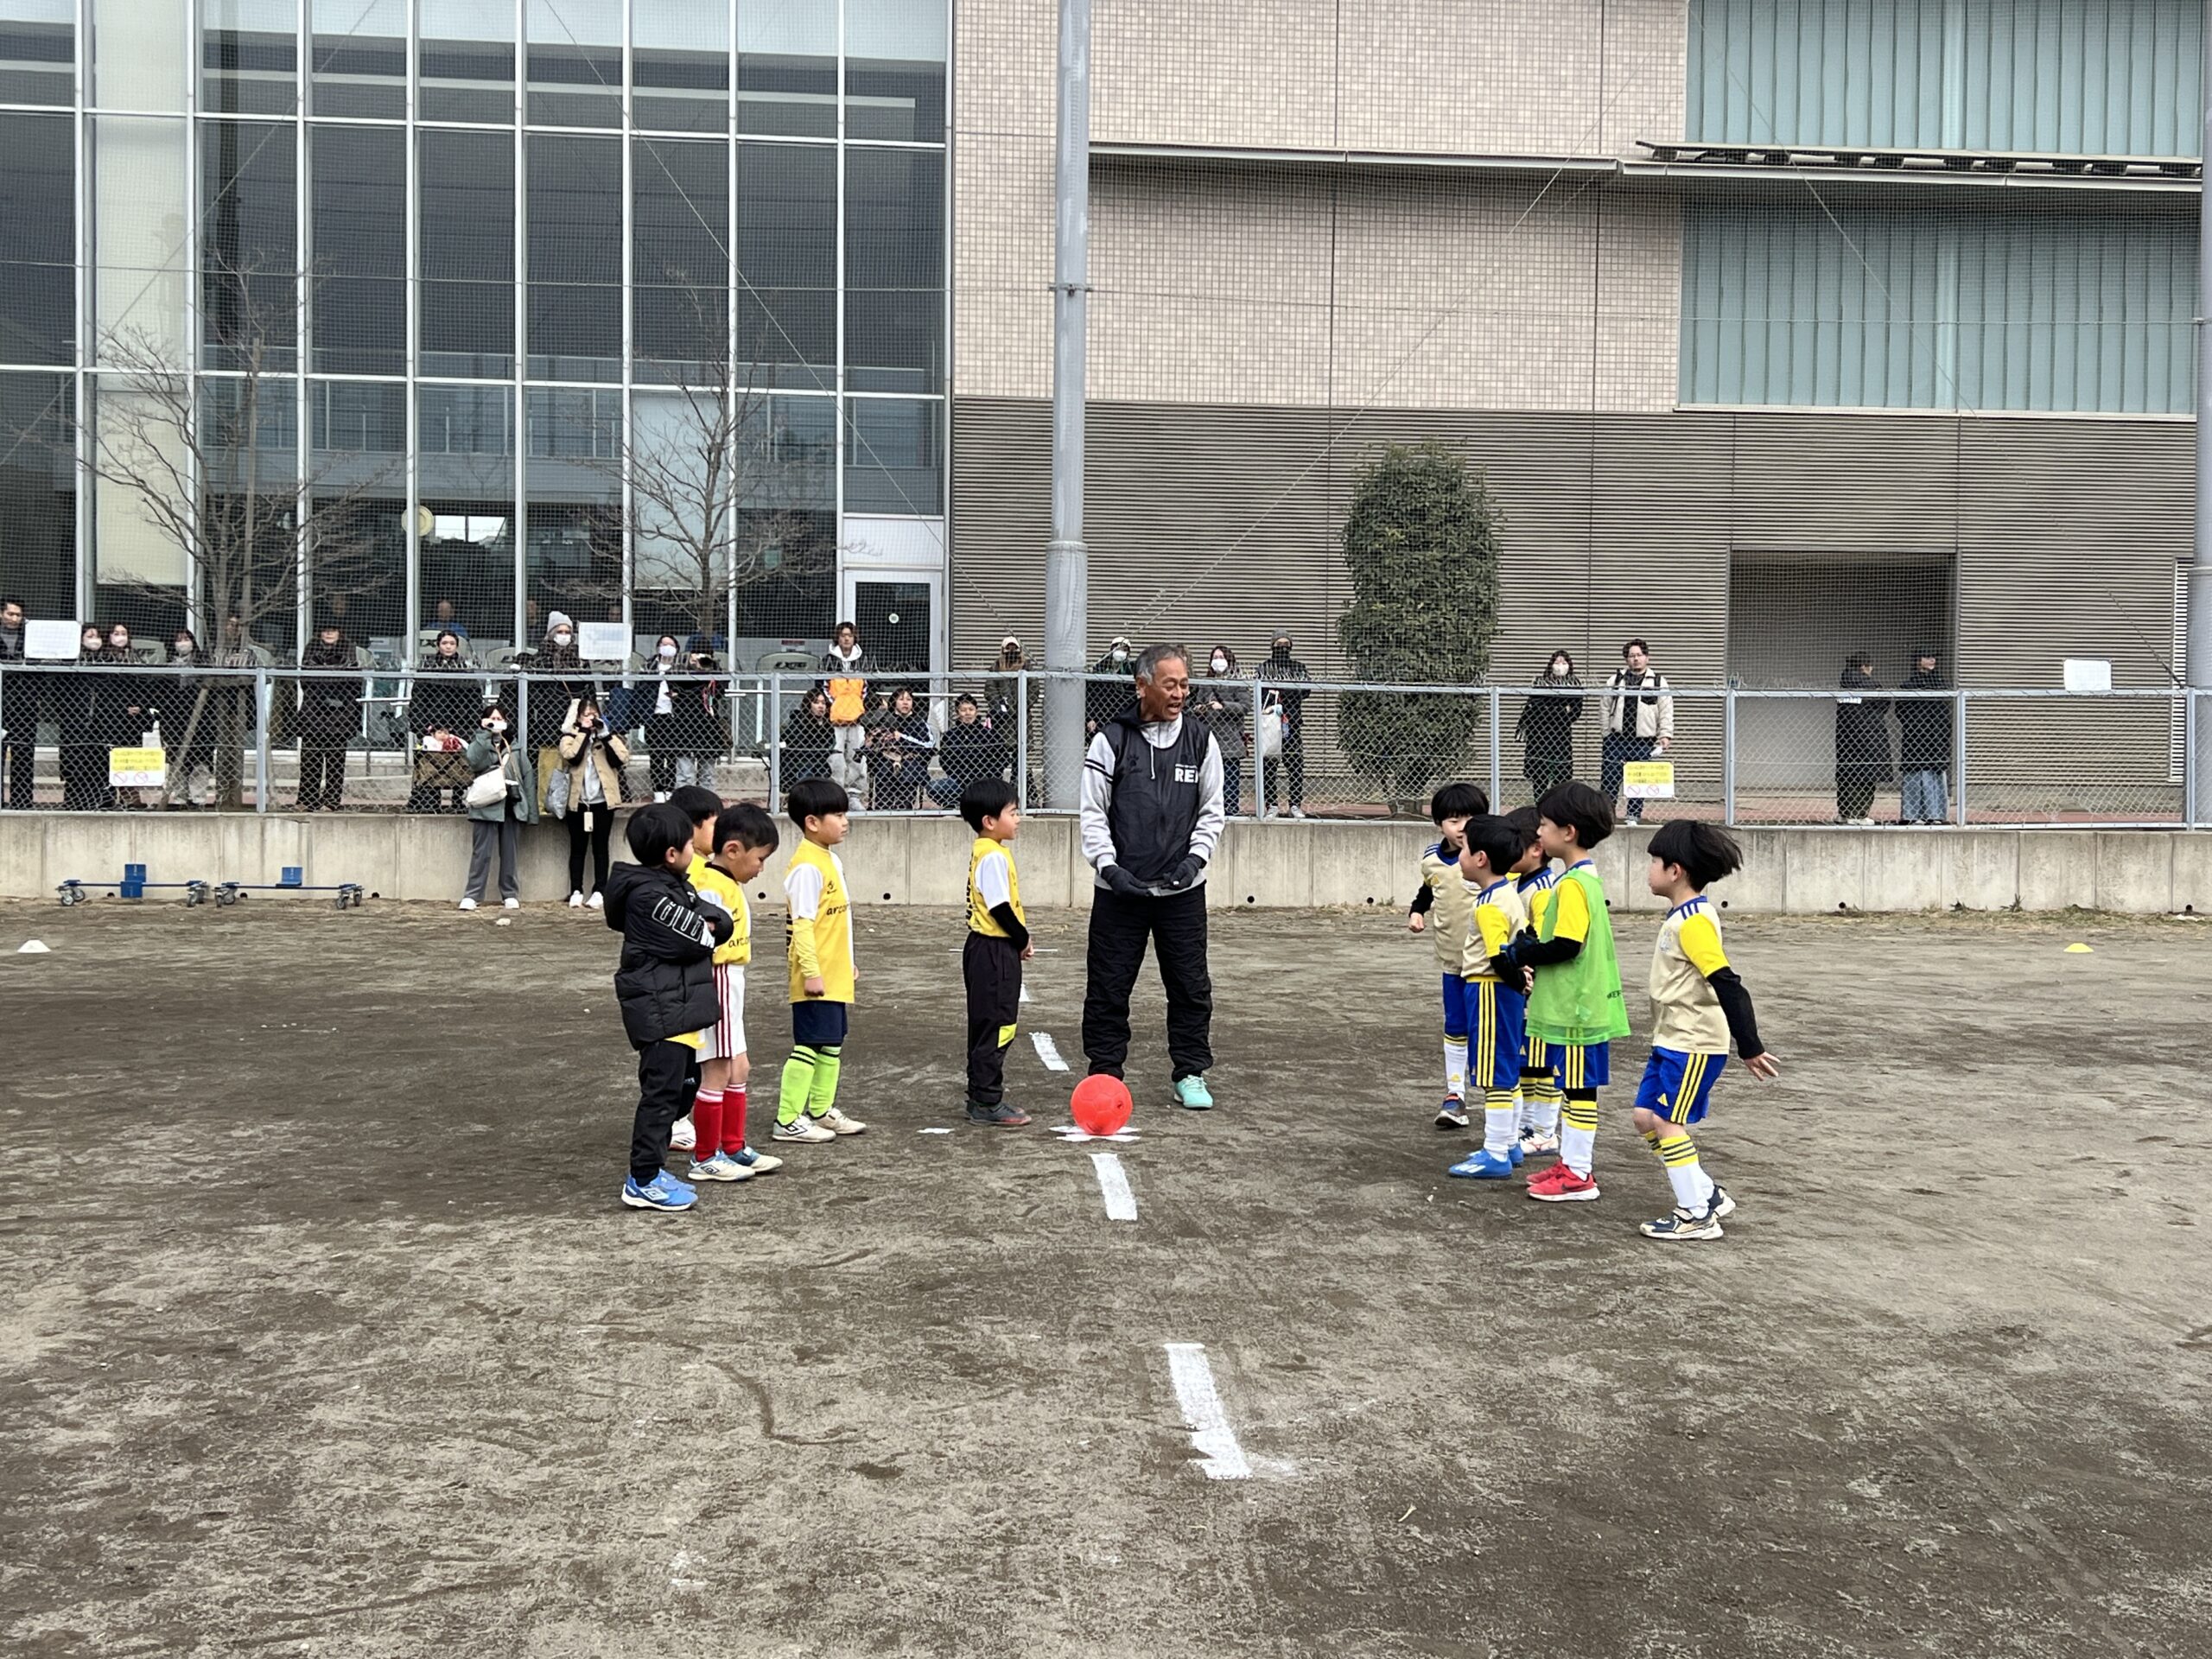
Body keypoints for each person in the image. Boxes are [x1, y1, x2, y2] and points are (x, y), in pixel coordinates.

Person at [1078, 644, 1227, 1111]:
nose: (1180, 693)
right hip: (1120, 891)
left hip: (1182, 892)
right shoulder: (1110, 741)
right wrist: (1109, 867)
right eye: (1170, 684)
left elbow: (1213, 811)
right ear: (1142, 686)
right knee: (1108, 986)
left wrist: (1194, 861)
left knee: (1190, 985)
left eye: (1185, 684)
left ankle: (1190, 1072)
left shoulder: (1202, 741)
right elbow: (1092, 814)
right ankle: (1105, 1074)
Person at [1634, 821, 1781, 1242]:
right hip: (1671, 1038)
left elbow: (1728, 983)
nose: (1649, 869)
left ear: (1675, 870)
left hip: (1694, 1042)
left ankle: (1695, 1215)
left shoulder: (1694, 922)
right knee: (1645, 1117)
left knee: (1667, 1122)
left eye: (1655, 861)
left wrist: (1749, 1046)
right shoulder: (1681, 916)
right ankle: (1706, 1194)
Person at [601, 802, 734, 1213]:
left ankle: (653, 1172)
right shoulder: (649, 897)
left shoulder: (675, 887)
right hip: (661, 1011)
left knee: (680, 1090)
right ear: (672, 854)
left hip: (678, 1009)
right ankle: (642, 1178)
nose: (696, 852)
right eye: (690, 845)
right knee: (660, 1096)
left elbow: (720, 922)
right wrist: (707, 926)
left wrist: (709, 924)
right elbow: (700, 936)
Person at [1504, 781, 1629, 1204]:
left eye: (1544, 824)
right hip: (1580, 1004)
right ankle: (1571, 1164)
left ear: (1568, 832)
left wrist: (1524, 951)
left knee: (1578, 1092)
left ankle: (1578, 1173)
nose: (1539, 832)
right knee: (1574, 1089)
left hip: (1578, 1007)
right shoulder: (1581, 878)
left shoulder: (1572, 884)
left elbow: (1567, 945)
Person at [684, 802, 785, 1184]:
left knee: (738, 1067)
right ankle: (706, 1156)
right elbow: (702, 942)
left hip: (731, 979)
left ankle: (732, 1146)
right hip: (718, 979)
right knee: (718, 1068)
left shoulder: (727, 884)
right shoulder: (712, 888)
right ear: (733, 851)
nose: (761, 868)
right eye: (760, 859)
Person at [775, 777, 868, 1143]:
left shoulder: (829, 859)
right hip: (816, 978)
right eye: (838, 815)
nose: (845, 822)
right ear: (812, 822)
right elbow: (802, 926)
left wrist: (847, 962)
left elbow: (837, 922)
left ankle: (820, 1109)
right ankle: (788, 1118)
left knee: (831, 1042)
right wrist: (811, 973)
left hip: (834, 973)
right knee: (809, 1044)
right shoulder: (807, 867)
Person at [1445, 814, 1535, 1181]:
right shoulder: (1507, 893)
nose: (1460, 855)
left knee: (1494, 1073)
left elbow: (1498, 955)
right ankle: (1509, 1144)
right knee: (1507, 1068)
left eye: (1464, 848)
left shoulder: (1488, 904)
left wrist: (1516, 980)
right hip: (1503, 992)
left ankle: (1496, 1151)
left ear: (1480, 858)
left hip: (1488, 989)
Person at [1407, 781, 1490, 1128]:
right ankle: (1455, 1096)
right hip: (1453, 963)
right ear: (1439, 823)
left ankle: (1509, 1100)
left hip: (1492, 967)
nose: (1462, 827)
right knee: (1455, 1026)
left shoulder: (1494, 855)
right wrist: (1417, 911)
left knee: (1492, 1031)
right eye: (1454, 820)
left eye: (1470, 818)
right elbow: (1427, 890)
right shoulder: (1432, 859)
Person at [962, 778, 1034, 1127]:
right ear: (989, 821)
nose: (1018, 819)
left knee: (988, 1022)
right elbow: (999, 907)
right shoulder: (991, 855)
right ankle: (987, 1100)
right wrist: (1022, 939)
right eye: (1012, 812)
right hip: (993, 950)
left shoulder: (991, 851)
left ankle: (982, 1094)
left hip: (987, 948)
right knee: (997, 1024)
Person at [1502, 806, 1564, 1158]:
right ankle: (1528, 1125)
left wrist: (1524, 965)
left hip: (1541, 991)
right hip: (1529, 992)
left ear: (1536, 849)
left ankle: (1544, 1131)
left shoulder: (1542, 890)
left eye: (1514, 845)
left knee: (1543, 1063)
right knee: (1528, 1062)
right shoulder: (1522, 883)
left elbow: (1542, 939)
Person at [552, 695, 628, 908]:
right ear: (578, 718)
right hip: (578, 802)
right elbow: (572, 756)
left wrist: (605, 735)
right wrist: (584, 733)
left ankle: (600, 890)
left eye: (594, 714)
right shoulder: (569, 737)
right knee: (577, 848)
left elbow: (621, 758)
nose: (590, 718)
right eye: (586, 715)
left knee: (600, 847)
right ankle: (576, 890)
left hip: (603, 802)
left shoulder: (608, 737)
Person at [460, 701, 537, 910]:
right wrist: (485, 733)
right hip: (485, 804)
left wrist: (531, 813)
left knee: (510, 852)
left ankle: (509, 893)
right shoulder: (479, 743)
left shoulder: (516, 747)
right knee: (481, 853)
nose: (496, 722)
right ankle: (473, 895)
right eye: (492, 718)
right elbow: (474, 761)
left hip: (511, 804)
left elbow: (528, 778)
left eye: (499, 719)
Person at [1600, 639, 1673, 824]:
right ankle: (1607, 816)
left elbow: (1666, 710)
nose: (1636, 659)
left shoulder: (1657, 681)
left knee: (1638, 781)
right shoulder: (1616, 680)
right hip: (1616, 740)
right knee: (1610, 779)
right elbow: (1605, 707)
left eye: (1639, 655)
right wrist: (1606, 733)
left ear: (1647, 657)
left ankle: (1633, 816)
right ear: (1626, 659)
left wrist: (1665, 735)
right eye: (1632, 655)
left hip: (1643, 741)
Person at [408, 630, 480, 812]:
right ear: (438, 645)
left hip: (459, 726)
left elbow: (474, 702)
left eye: (452, 643)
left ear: (457, 646)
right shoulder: (428, 669)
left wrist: (466, 726)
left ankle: (458, 801)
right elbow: (418, 701)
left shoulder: (465, 670)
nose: (448, 647)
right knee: (431, 764)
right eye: (444, 643)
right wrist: (424, 727)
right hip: (432, 726)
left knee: (458, 764)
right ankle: (431, 802)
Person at [296, 621, 359, 811]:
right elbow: (306, 681)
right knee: (310, 759)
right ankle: (307, 799)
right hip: (313, 714)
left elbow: (352, 683)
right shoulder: (311, 650)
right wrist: (330, 681)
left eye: (333, 629)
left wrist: (327, 683)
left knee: (335, 761)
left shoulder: (348, 652)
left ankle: (331, 800)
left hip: (340, 715)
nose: (329, 633)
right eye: (325, 629)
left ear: (340, 632)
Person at [1256, 632, 1313, 818]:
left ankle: (1295, 804)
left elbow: (1305, 691)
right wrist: (1289, 689)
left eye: (1286, 645)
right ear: (1272, 646)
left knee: (1295, 764)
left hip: (1292, 723)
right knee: (1269, 765)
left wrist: (1281, 690)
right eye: (1278, 645)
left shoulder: (1298, 668)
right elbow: (1262, 693)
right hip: (1271, 723)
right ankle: (1271, 804)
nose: (1282, 648)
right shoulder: (1265, 668)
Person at [1834, 652, 1893, 825]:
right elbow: (1884, 704)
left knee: (1847, 773)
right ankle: (1858, 814)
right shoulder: (1871, 686)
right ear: (1864, 667)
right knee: (1866, 775)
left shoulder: (1844, 686)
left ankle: (1845, 812)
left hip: (1846, 737)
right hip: (1870, 736)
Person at [162, 628, 218, 809]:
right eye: (179, 639)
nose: (183, 643)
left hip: (202, 720)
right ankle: (179, 798)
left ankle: (198, 798)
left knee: (200, 761)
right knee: (177, 760)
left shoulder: (203, 666)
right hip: (173, 720)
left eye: (186, 639)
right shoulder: (166, 667)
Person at [1897, 649, 1953, 825]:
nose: (1932, 660)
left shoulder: (1941, 685)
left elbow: (1945, 712)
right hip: (1915, 738)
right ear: (1917, 660)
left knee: (1935, 774)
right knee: (1914, 775)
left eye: (1934, 657)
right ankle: (1911, 815)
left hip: (1936, 738)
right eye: (1927, 657)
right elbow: (1901, 711)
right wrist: (1916, 724)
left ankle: (1935, 815)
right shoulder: (1908, 685)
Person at [98, 625, 151, 810]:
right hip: (110, 719)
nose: (120, 637)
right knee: (109, 759)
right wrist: (121, 708)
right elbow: (103, 693)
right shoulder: (103, 659)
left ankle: (131, 798)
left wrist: (140, 706)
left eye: (124, 634)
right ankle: (108, 798)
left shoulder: (135, 659)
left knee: (130, 759)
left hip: (133, 722)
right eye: (116, 634)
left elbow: (145, 687)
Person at [57, 625, 111, 811]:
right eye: (90, 636)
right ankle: (74, 800)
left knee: (100, 763)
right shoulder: (71, 661)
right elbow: (59, 692)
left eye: (97, 636)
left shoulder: (107, 660)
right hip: (75, 722)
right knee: (74, 763)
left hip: (101, 722)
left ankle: (102, 800)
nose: (94, 639)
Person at [1518, 651, 1584, 800]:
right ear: (1550, 665)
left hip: (1561, 736)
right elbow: (1535, 707)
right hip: (1538, 735)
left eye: (1564, 663)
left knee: (1560, 776)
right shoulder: (1540, 682)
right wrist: (1561, 709)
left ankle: (1557, 806)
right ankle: (1539, 803)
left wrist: (1555, 712)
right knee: (1539, 776)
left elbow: (1575, 711)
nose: (1560, 666)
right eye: (1557, 662)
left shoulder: (1574, 684)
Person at [1194, 645, 1251, 817]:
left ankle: (1231, 809)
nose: (1217, 661)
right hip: (1210, 737)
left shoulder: (1238, 683)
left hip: (1230, 737)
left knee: (1230, 776)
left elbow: (1245, 707)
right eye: (1215, 658)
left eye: (1221, 657)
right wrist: (1200, 709)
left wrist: (1223, 706)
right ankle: (1211, 809)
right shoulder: (1206, 684)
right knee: (1209, 777)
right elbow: (1199, 703)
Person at [667, 637, 726, 794]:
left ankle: (708, 802)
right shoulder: (679, 669)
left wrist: (707, 669)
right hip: (683, 725)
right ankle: (684, 802)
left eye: (704, 655)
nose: (700, 658)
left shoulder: (715, 671)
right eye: (696, 654)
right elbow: (674, 688)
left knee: (707, 775)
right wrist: (693, 670)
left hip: (708, 726)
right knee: (685, 775)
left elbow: (719, 692)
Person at [931, 693, 1010, 808]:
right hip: (959, 781)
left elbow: (1004, 758)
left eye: (971, 709)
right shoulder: (950, 735)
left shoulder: (989, 734)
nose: (967, 713)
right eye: (963, 710)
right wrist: (959, 775)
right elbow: (944, 760)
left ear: (976, 711)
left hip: (984, 781)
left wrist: (989, 774)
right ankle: (956, 802)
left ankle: (977, 802)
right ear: (957, 712)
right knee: (934, 787)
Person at [867, 685, 934, 810]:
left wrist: (902, 738)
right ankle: (883, 806)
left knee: (909, 767)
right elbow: (872, 740)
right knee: (884, 768)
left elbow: (928, 745)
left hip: (912, 759)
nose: (905, 703)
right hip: (886, 758)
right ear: (894, 702)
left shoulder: (919, 723)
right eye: (901, 699)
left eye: (909, 699)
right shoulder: (885, 720)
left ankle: (903, 805)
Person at [820, 621, 870, 785]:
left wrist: (861, 707)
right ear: (838, 638)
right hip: (835, 718)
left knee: (857, 755)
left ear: (855, 638)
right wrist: (834, 705)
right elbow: (822, 687)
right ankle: (836, 789)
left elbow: (868, 688)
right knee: (836, 755)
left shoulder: (864, 660)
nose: (846, 639)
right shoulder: (827, 661)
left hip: (858, 718)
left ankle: (855, 791)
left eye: (850, 635)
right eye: (843, 636)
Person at [0, 596, 32, 810]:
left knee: (24, 753)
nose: (14, 618)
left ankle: (23, 801)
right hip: (1, 701)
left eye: (18, 615)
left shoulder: (29, 638)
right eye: (10, 613)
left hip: (24, 703)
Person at [779, 687, 837, 785]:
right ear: (809, 704)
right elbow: (799, 746)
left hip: (820, 764)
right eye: (816, 703)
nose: (821, 706)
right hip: (799, 764)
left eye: (823, 703)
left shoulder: (827, 725)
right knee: (809, 769)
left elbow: (829, 744)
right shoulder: (798, 723)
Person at [1085, 635, 1138, 738]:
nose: (1121, 651)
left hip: (1121, 714)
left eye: (1124, 649)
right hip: (1100, 713)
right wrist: (1090, 717)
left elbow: (1132, 697)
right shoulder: (1100, 668)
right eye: (1118, 648)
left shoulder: (1129, 671)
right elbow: (1091, 695)